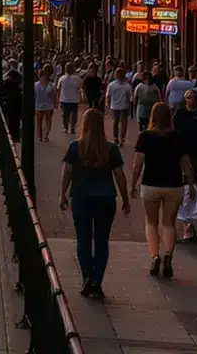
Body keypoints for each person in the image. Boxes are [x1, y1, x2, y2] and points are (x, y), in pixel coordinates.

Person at [60, 107, 131, 300]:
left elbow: (67, 172)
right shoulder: (111, 149)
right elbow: (119, 176)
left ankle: (87, 276)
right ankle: (97, 281)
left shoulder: (76, 147)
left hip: (81, 197)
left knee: (83, 240)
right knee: (101, 241)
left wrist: (62, 194)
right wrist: (125, 198)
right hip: (105, 198)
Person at [130, 102, 192, 279]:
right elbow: (186, 165)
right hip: (174, 185)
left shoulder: (145, 137)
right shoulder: (177, 137)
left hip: (150, 184)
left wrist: (132, 184)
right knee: (169, 223)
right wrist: (191, 184)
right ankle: (168, 255)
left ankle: (154, 256)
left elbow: (137, 165)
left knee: (151, 222)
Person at [173, 88, 197, 244]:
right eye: (190, 97)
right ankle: (188, 226)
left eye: (195, 97)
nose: (193, 99)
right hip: (183, 154)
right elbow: (175, 133)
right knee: (187, 189)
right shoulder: (180, 113)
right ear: (185, 99)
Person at [107, 68, 133, 145]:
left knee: (115, 122)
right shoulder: (127, 85)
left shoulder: (111, 85)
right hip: (124, 107)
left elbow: (108, 96)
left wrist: (108, 106)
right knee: (123, 123)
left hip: (114, 106)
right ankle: (122, 138)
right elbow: (130, 96)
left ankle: (115, 137)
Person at [132, 72, 162, 139]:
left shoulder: (154, 86)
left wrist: (159, 105)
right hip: (142, 107)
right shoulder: (139, 86)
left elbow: (159, 97)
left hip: (152, 107)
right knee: (142, 123)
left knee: (150, 123)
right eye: (146, 78)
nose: (147, 80)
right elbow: (135, 98)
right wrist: (135, 106)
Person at [57, 63, 83, 136]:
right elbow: (81, 86)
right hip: (74, 100)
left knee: (65, 115)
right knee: (73, 115)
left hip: (64, 99)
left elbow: (58, 88)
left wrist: (58, 98)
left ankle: (66, 127)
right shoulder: (77, 78)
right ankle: (72, 128)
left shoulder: (62, 78)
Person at [34, 68, 57, 142]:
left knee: (48, 122)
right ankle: (40, 136)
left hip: (48, 107)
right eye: (42, 76)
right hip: (38, 106)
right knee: (39, 123)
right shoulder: (35, 85)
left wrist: (54, 104)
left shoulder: (51, 86)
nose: (44, 78)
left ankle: (45, 135)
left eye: (45, 76)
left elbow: (54, 96)